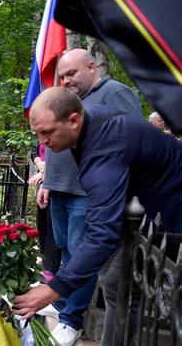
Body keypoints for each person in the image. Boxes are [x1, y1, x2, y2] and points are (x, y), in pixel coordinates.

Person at [15, 87, 182, 345]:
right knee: (119, 285)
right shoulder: (89, 122)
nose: (43, 142)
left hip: (172, 211)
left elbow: (102, 233)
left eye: (47, 132)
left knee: (120, 285)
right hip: (152, 212)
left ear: (73, 120)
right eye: (38, 134)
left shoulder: (102, 150)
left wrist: (54, 289)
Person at [34, 48, 141, 345]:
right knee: (67, 250)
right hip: (60, 189)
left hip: (86, 193)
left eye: (72, 73)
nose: (66, 80)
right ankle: (65, 304)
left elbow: (129, 141)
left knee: (81, 253)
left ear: (92, 68)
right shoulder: (69, 101)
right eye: (62, 75)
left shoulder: (115, 93)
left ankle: (71, 321)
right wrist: (48, 181)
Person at [28, 142, 60, 283]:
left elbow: (59, 158)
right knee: (41, 223)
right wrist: (39, 162)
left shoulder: (60, 136)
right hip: (43, 184)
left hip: (57, 184)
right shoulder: (44, 136)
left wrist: (43, 173)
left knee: (52, 225)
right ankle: (44, 258)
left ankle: (51, 267)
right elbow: (34, 151)